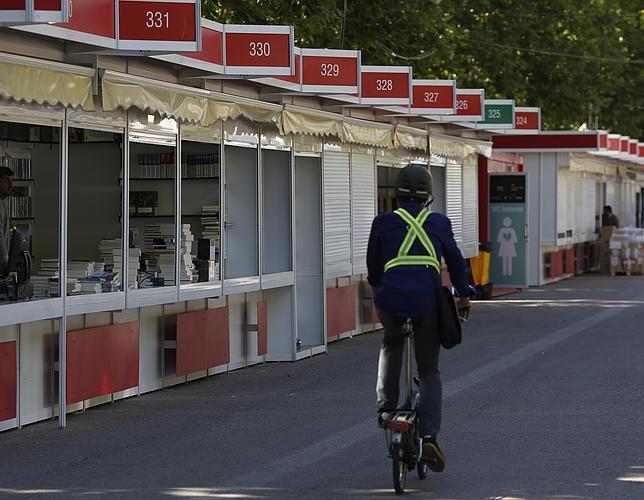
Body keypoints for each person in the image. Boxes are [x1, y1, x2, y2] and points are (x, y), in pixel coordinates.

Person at [367, 164, 474, 473]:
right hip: (427, 301)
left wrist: (381, 289)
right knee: (429, 370)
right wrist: (464, 294)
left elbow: (373, 267)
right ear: (428, 196)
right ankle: (429, 436)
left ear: (397, 194)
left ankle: (387, 410)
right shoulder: (438, 223)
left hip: (391, 299)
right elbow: (454, 261)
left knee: (392, 344)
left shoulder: (383, 222)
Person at [0, 165, 15, 276]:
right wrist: (5, 261)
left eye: (12, 181)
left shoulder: (3, 202)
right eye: (6, 181)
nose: (10, 185)